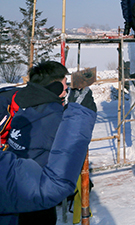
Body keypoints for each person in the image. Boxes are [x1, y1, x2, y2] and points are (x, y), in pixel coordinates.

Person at [2, 61, 90, 225]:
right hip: (38, 194)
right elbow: (70, 150)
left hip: (17, 188)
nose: (66, 90)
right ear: (55, 87)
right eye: (64, 85)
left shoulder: (24, 105)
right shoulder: (53, 116)